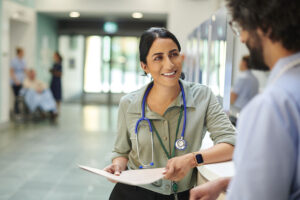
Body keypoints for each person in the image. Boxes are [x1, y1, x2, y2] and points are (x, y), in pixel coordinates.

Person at [104, 27, 236, 200]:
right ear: (145, 66)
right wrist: (117, 167)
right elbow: (121, 152)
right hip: (132, 193)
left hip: (180, 195)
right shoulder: (129, 103)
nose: (170, 64)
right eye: (158, 58)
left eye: (173, 54)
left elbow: (231, 144)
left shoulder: (202, 96)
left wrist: (192, 159)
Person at [190, 0, 300, 199]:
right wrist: (228, 182)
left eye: (243, 28)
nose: (242, 39)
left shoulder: (271, 106)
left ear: (264, 26)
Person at [10, 47, 27, 115]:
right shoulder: (14, 61)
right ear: (19, 52)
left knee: (21, 96)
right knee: (16, 97)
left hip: (22, 81)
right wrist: (16, 80)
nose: (23, 53)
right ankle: (16, 112)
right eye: (22, 52)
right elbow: (11, 71)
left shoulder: (23, 61)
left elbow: (25, 70)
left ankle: (20, 111)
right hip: (15, 81)